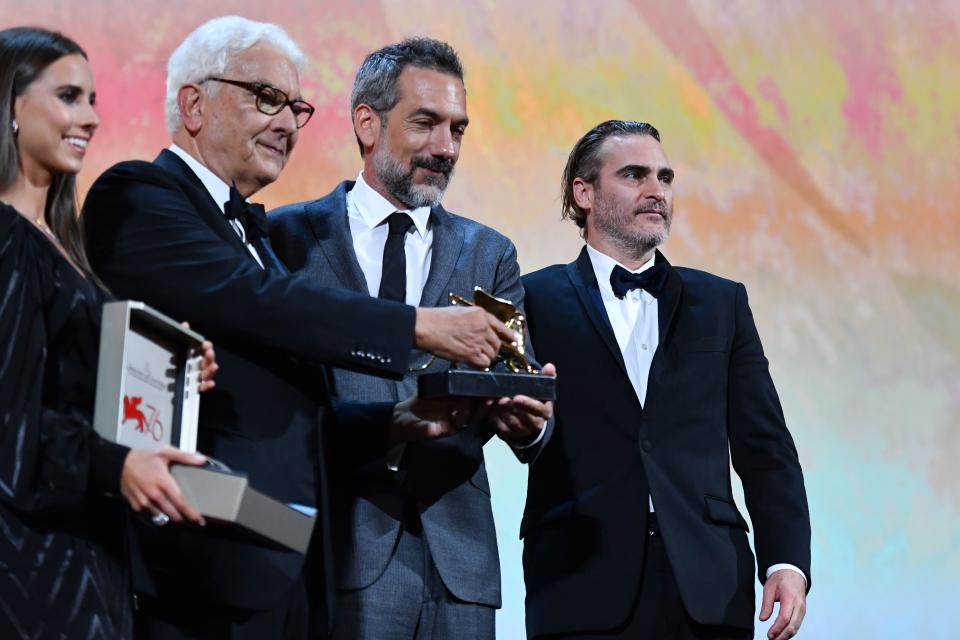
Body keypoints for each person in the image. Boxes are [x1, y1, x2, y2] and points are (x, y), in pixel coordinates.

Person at [81, 17, 515, 640]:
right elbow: (258, 302)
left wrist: (398, 423)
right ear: (194, 103)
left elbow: (293, 406)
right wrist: (417, 327)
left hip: (281, 572)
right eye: (266, 99)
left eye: (296, 107)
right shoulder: (140, 195)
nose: (286, 123)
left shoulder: (256, 236)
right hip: (194, 570)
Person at [270, 38, 554, 639]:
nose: (445, 148)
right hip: (335, 551)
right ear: (366, 124)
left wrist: (533, 426)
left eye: (458, 129)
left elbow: (518, 383)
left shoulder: (490, 251)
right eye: (426, 123)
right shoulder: (286, 238)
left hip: (462, 569)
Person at [520, 120, 811, 640]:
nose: (657, 191)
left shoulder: (722, 303)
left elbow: (765, 446)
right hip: (578, 580)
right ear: (582, 192)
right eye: (634, 175)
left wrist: (786, 563)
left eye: (665, 177)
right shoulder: (532, 300)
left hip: (708, 586)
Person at [0, 27, 216, 639]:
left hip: (90, 554)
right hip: (33, 568)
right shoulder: (7, 239)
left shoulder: (65, 247)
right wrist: (117, 465)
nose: (91, 118)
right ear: (10, 105)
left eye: (94, 100)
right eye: (70, 96)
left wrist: (171, 377)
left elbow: (70, 390)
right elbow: (11, 424)